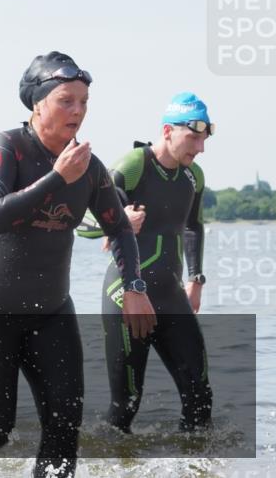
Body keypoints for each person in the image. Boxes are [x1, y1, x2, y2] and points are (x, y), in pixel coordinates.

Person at [0, 52, 157, 478]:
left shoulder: (89, 167)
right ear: (37, 105)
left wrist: (135, 287)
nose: (78, 111)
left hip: (52, 311)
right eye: (66, 100)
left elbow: (119, 228)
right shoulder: (6, 148)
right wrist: (57, 178)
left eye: (84, 102)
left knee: (65, 427)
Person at [81, 92, 213, 433]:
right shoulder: (134, 164)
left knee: (200, 398)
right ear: (168, 131)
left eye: (204, 139)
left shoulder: (193, 176)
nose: (199, 148)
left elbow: (194, 226)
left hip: (172, 297)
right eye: (193, 138)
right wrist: (118, 221)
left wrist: (196, 279)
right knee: (125, 407)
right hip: (126, 297)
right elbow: (82, 222)